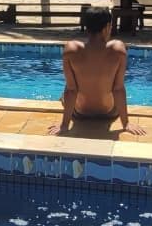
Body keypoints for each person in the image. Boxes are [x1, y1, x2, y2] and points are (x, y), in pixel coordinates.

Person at [49, 7, 145, 136]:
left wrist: (64, 125)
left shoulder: (71, 49)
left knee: (65, 93)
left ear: (86, 26)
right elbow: (118, 88)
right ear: (107, 27)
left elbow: (72, 90)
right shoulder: (118, 49)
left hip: (80, 113)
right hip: (109, 113)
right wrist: (125, 123)